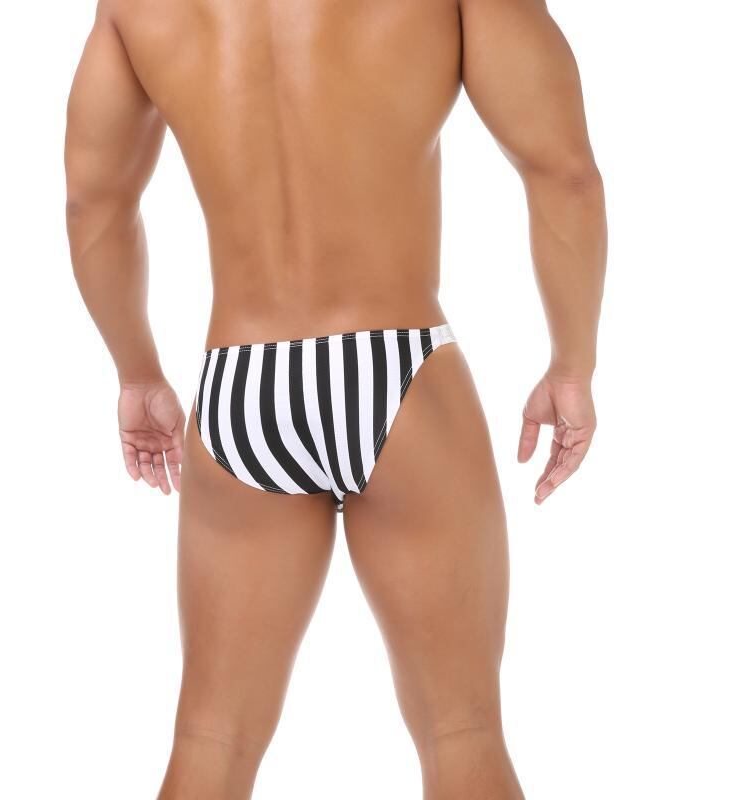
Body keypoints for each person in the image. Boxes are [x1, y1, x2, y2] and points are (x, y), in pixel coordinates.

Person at [65, 0, 606, 796]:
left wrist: (138, 373)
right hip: (400, 371)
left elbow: (94, 204)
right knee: (460, 729)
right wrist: (571, 365)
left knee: (212, 734)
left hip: (243, 388)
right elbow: (563, 170)